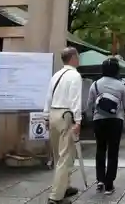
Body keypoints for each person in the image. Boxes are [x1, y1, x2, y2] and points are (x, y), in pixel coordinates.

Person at [44, 47, 82, 204]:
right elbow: (75, 99)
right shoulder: (75, 75)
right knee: (66, 156)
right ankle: (56, 196)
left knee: (58, 155)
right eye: (77, 56)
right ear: (73, 57)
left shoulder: (56, 75)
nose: (79, 59)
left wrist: (46, 116)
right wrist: (78, 120)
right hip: (66, 115)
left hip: (53, 113)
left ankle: (65, 186)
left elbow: (48, 96)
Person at [87, 57, 125, 195]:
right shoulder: (121, 85)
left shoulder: (95, 84)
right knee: (113, 152)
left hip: (98, 120)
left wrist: (91, 117)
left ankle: (100, 180)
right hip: (115, 121)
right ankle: (109, 184)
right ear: (117, 70)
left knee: (100, 149)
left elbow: (89, 104)